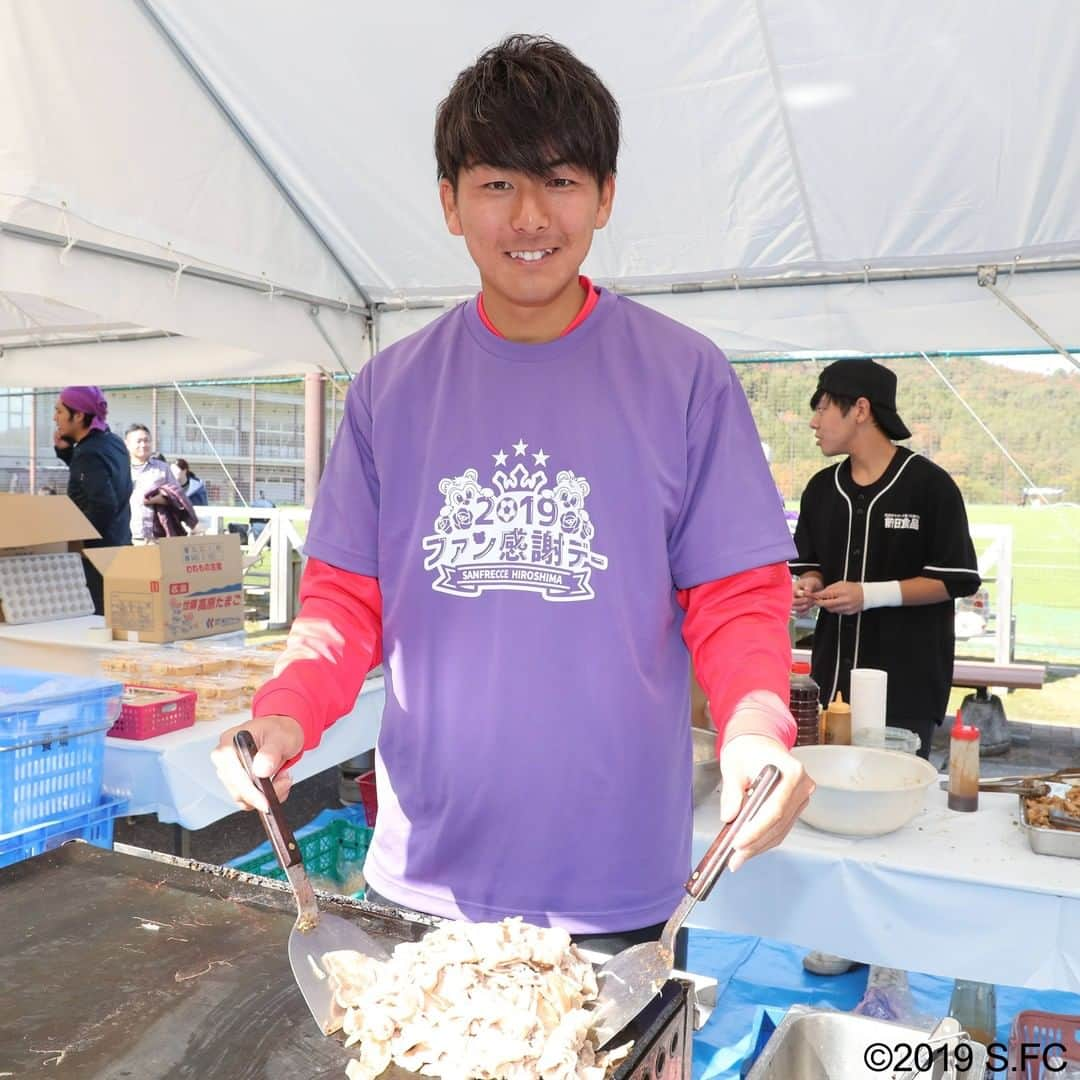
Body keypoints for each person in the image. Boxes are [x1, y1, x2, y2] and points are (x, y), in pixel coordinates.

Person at [212, 35, 813, 960]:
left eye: (562, 181)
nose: (530, 215)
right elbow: (344, 602)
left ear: (605, 195)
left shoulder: (685, 377)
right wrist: (286, 713)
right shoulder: (389, 391)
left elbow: (735, 602)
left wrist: (756, 731)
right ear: (450, 202)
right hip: (424, 875)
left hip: (618, 885)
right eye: (497, 183)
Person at [790, 359, 981, 759]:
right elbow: (810, 563)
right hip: (830, 686)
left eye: (822, 407)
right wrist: (809, 583)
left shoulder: (931, 487)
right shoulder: (821, 489)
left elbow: (955, 579)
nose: (814, 421)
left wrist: (869, 594)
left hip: (906, 690)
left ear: (860, 410)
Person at [52, 386, 134, 614]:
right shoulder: (113, 442)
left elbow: (103, 504)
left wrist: (76, 541)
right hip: (120, 546)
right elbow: (95, 482)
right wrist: (68, 453)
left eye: (59, 411)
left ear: (78, 415)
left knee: (98, 625)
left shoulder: (88, 453)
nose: (54, 417)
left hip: (97, 558)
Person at [124, 423, 169, 542]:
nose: (143, 445)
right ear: (127, 444)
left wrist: (159, 499)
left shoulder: (163, 469)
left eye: (146, 440)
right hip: (126, 536)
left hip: (156, 537)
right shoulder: (119, 468)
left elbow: (178, 499)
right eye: (138, 441)